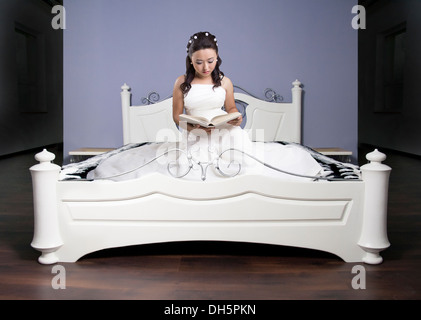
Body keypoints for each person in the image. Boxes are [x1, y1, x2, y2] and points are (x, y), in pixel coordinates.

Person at [87, 31, 323, 181]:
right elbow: (177, 116)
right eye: (199, 62)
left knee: (251, 166)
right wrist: (192, 128)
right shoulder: (181, 82)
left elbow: (231, 108)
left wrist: (235, 118)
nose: (205, 67)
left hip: (226, 135)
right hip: (194, 134)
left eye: (210, 61)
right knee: (171, 166)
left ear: (217, 58)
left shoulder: (225, 81)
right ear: (191, 60)